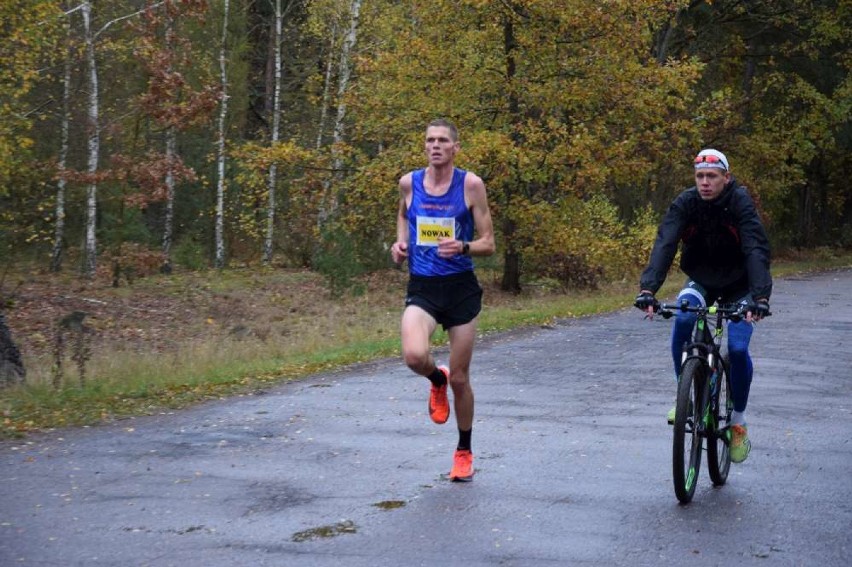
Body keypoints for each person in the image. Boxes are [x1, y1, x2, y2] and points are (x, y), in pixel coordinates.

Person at [634, 148, 771, 463]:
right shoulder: (686, 203)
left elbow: (755, 246)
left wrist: (760, 297)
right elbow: (665, 241)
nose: (705, 182)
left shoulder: (739, 202)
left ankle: (737, 422)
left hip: (741, 285)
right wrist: (648, 289)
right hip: (702, 279)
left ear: (726, 177)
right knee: (683, 317)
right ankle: (686, 389)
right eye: (700, 176)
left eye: (712, 176)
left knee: (737, 349)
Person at [390, 118, 495, 481]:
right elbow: (403, 215)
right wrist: (400, 243)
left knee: (462, 379)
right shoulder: (409, 183)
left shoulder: (470, 185)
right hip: (422, 287)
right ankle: (436, 379)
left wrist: (463, 246)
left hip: (460, 289)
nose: (434, 146)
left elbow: (489, 243)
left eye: (442, 141)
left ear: (455, 148)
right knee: (414, 356)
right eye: (429, 140)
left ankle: (463, 449)